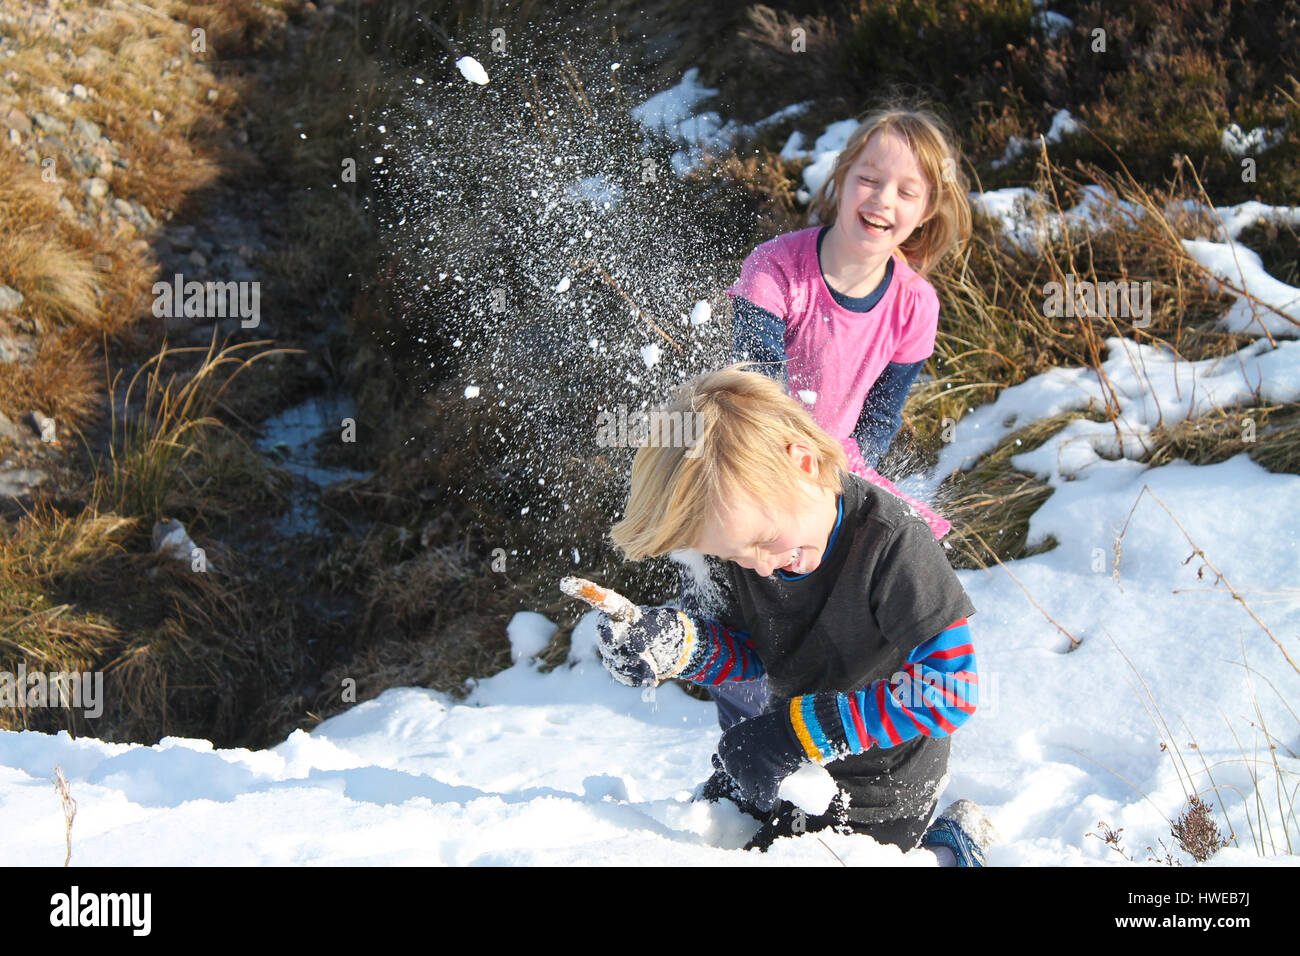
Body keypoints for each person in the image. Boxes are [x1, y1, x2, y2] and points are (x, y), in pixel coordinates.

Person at [595, 366, 996, 863]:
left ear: (803, 462)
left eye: (763, 542)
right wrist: (678, 646)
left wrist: (799, 733)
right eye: (738, 556)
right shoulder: (742, 548)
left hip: (879, 785)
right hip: (783, 758)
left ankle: (947, 849)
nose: (758, 565)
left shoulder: (891, 543)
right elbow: (749, 656)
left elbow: (950, 690)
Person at [711, 104, 974, 736]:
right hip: (759, 456)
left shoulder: (915, 304)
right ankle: (750, 730)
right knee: (752, 590)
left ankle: (854, 723)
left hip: (838, 465)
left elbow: (883, 411)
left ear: (928, 210)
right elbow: (758, 387)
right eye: (869, 179)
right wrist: (791, 473)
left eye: (908, 191)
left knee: (867, 578)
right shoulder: (777, 269)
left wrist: (837, 469)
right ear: (841, 178)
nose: (883, 199)